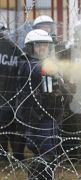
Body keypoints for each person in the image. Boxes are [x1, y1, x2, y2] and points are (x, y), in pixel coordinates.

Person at [17, 29, 67, 179]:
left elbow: (52, 89)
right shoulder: (26, 63)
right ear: (30, 47)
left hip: (49, 116)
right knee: (47, 154)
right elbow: (35, 69)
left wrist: (61, 88)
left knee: (46, 155)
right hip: (36, 118)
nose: (42, 48)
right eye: (38, 45)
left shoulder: (47, 65)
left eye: (45, 45)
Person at [0, 20, 24, 161]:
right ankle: (18, 157)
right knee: (16, 129)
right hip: (14, 97)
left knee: (3, 129)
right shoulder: (15, 48)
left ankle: (3, 156)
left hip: (7, 96)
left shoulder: (13, 48)